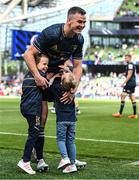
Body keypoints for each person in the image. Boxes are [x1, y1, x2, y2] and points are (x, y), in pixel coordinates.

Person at [23, 6, 87, 173]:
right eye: (79, 21)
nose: (82, 25)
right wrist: (37, 76)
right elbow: (28, 54)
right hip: (43, 79)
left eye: (84, 22)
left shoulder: (79, 40)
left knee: (67, 114)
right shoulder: (51, 33)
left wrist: (74, 89)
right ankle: (39, 156)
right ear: (69, 20)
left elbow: (79, 67)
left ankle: (69, 159)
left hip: (59, 77)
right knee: (42, 119)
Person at [17, 53, 49, 175]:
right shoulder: (39, 76)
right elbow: (47, 85)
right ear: (35, 64)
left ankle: (37, 158)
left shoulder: (27, 75)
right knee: (34, 133)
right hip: (33, 109)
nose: (46, 66)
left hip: (25, 108)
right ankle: (25, 161)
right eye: (44, 64)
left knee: (35, 132)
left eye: (47, 64)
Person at [112, 54, 138, 118]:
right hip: (133, 83)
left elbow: (130, 74)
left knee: (123, 96)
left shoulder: (130, 65)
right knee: (132, 97)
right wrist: (123, 73)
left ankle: (120, 113)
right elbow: (129, 73)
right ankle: (134, 114)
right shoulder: (131, 65)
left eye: (126, 58)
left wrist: (124, 82)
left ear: (130, 58)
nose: (125, 59)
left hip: (130, 83)